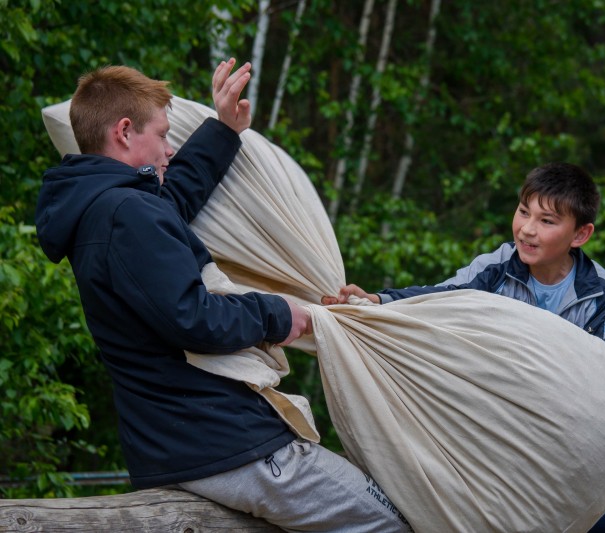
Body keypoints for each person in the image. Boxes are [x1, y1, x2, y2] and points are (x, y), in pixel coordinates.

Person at [35, 59, 410, 533]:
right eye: (163, 134)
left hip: (174, 443)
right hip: (224, 445)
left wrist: (224, 129)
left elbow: (173, 204)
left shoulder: (103, 209)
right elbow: (194, 318)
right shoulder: (127, 214)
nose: (169, 149)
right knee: (391, 521)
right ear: (125, 132)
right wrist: (281, 313)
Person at [323, 162, 605, 532]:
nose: (528, 229)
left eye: (548, 221)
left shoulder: (601, 288)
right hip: (503, 423)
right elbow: (438, 298)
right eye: (523, 212)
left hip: (571, 428)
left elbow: (604, 373)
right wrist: (377, 301)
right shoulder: (497, 266)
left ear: (580, 234)